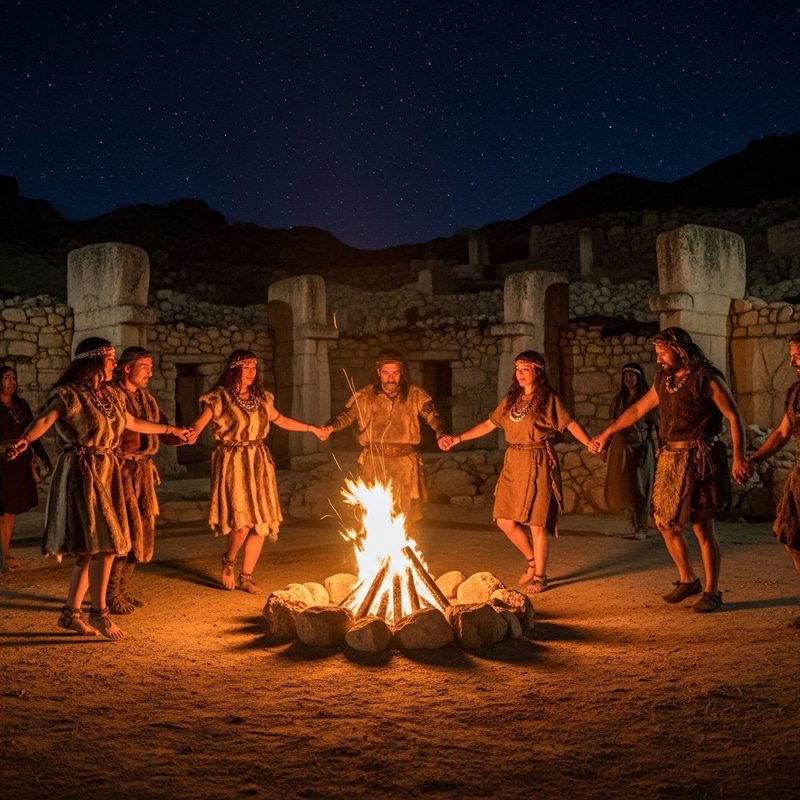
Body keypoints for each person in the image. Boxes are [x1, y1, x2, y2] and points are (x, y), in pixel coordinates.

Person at [6, 337, 194, 639]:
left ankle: (71, 614)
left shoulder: (110, 395)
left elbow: (132, 422)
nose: (114, 364)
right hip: (82, 472)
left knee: (93, 550)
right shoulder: (69, 395)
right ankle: (99, 613)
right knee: (103, 547)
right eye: (109, 359)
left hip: (107, 473)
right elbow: (44, 420)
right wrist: (24, 441)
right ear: (93, 361)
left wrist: (171, 430)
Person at [590, 327, 749, 613]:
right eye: (657, 354)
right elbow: (638, 410)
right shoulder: (663, 380)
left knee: (702, 527)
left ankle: (712, 592)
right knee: (664, 523)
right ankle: (688, 579)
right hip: (671, 458)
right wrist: (608, 433)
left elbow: (733, 416)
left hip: (702, 459)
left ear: (679, 350)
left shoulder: (706, 378)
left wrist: (739, 457)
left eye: (663, 353)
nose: (659, 359)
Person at [440, 351, 593, 594]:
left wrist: (588, 442)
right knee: (504, 519)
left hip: (539, 460)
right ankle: (532, 561)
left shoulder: (550, 400)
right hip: (514, 461)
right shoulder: (512, 400)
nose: (520, 374)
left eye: (525, 369)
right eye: (518, 369)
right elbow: (490, 424)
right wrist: (458, 438)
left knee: (537, 524)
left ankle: (540, 577)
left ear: (538, 372)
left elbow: (569, 423)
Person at [190, 349, 328, 594]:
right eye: (247, 367)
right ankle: (229, 563)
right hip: (233, 462)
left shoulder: (262, 398)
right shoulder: (219, 398)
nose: (252, 372)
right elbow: (198, 425)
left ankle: (246, 577)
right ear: (234, 369)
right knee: (242, 524)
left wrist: (312, 429)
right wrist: (188, 434)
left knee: (261, 524)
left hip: (259, 463)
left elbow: (282, 420)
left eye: (255, 367)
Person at [322, 348, 449, 527]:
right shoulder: (365, 396)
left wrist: (441, 432)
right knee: (372, 516)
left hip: (405, 466)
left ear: (402, 373)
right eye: (386, 373)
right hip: (373, 464)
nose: (391, 378)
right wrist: (330, 427)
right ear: (378, 373)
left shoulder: (415, 395)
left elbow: (433, 416)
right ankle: (376, 554)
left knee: (406, 519)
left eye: (395, 373)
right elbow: (346, 416)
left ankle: (404, 552)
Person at [107, 346, 189, 614]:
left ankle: (123, 590)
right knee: (122, 533)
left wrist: (182, 435)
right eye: (145, 366)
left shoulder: (147, 399)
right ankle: (110, 595)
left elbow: (163, 429)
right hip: (119, 472)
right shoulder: (112, 396)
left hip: (142, 473)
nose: (150, 372)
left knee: (140, 532)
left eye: (151, 367)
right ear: (127, 367)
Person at [745, 330, 800, 627]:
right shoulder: (795, 393)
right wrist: (754, 459)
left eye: (798, 357)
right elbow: (781, 433)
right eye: (792, 357)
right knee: (792, 540)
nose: (793, 363)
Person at [0, 366, 52, 572]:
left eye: (14, 378)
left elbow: (32, 432)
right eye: (6, 378)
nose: (11, 382)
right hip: (1, 462)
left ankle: (7, 551)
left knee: (11, 508)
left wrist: (44, 456)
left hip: (18, 463)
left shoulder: (22, 405)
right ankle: (3, 556)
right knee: (1, 509)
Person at [599, 362, 659, 539]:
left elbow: (658, 425)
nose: (628, 379)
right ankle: (633, 523)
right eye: (626, 375)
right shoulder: (619, 400)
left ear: (638, 378)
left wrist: (663, 448)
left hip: (640, 449)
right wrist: (606, 447)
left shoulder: (647, 400)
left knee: (641, 488)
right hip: (620, 448)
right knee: (622, 487)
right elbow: (612, 425)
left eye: (632, 375)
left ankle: (642, 526)